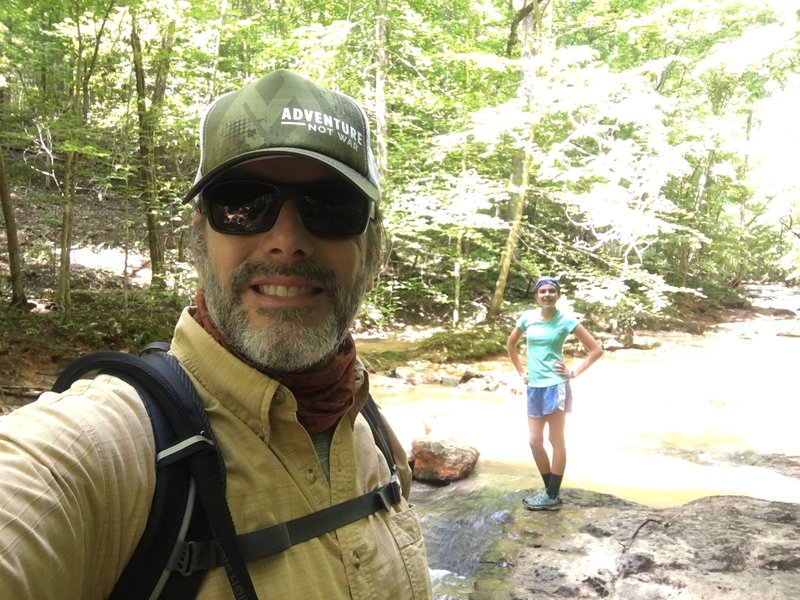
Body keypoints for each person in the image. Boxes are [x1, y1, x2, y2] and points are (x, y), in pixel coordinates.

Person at [0, 70, 433, 599]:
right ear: (196, 242)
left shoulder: (372, 435)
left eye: (331, 205)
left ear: (374, 249)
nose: (287, 240)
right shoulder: (98, 452)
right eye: (242, 202)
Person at [506, 276, 603, 511]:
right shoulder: (527, 318)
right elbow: (510, 345)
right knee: (534, 441)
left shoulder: (566, 320)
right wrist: (521, 372)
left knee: (555, 440)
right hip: (534, 386)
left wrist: (573, 372)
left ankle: (551, 494)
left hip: (556, 385)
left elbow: (596, 350)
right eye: (543, 292)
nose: (547, 295)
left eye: (552, 291)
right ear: (536, 296)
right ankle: (550, 490)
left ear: (557, 295)